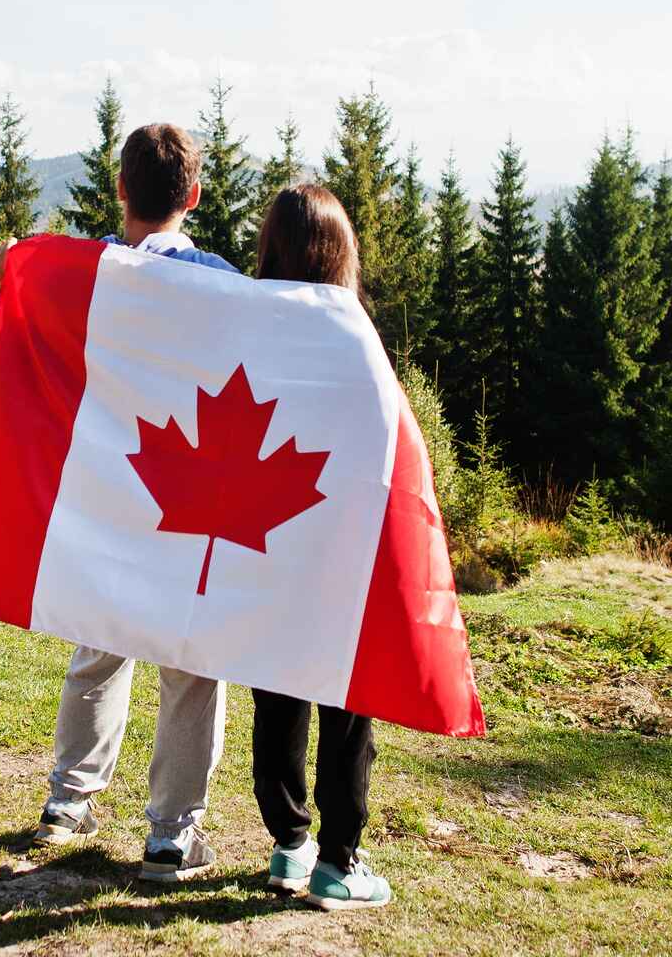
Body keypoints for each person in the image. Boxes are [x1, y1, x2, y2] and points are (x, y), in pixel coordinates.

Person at [0, 122, 236, 883]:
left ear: (121, 190)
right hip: (190, 494)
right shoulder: (224, 282)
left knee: (98, 643)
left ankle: (68, 802)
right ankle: (172, 833)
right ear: (193, 196)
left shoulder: (88, 272)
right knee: (191, 662)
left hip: (104, 492)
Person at [249, 184, 392, 911]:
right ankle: (338, 859)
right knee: (346, 698)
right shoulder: (352, 329)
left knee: (275, 685)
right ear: (341, 253)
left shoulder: (250, 319)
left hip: (265, 536)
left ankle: (288, 844)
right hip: (341, 542)